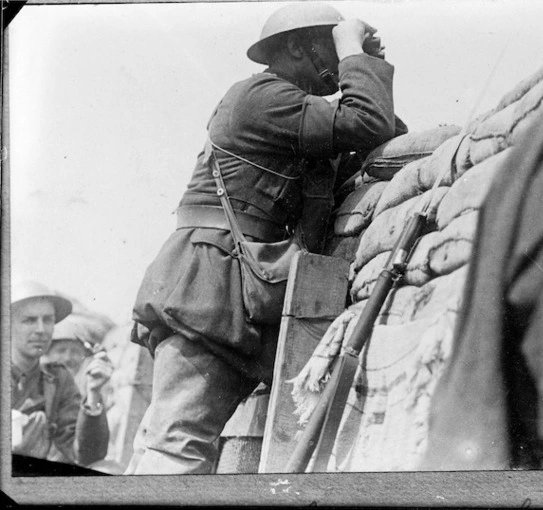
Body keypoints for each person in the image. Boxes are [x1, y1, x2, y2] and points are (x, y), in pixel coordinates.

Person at [128, 2, 406, 474]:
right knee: (177, 446)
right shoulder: (261, 98)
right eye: (329, 45)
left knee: (172, 442)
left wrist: (365, 63)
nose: (337, 62)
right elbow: (365, 123)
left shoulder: (295, 111)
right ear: (297, 47)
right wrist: (354, 55)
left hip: (240, 294)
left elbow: (383, 141)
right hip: (212, 291)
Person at [11, 280, 111, 467]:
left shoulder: (58, 380)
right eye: (29, 320)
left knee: (107, 468)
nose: (41, 329)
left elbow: (85, 455)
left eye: (48, 320)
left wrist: (94, 394)